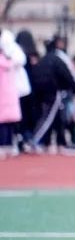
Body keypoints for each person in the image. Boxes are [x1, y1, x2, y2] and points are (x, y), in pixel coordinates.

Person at [0, 28, 25, 157]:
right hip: (10, 95)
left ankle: (4, 145)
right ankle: (9, 145)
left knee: (3, 123)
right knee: (9, 123)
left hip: (4, 96)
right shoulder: (10, 62)